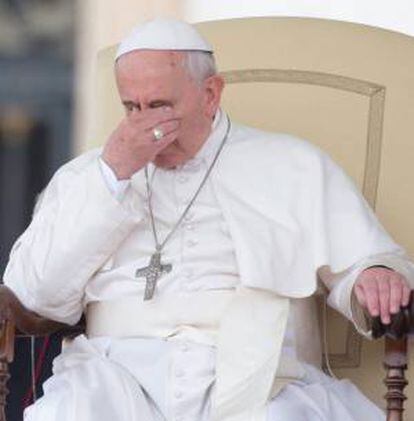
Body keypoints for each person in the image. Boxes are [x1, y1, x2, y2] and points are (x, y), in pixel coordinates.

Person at [3, 17, 414, 421]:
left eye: (161, 106)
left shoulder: (293, 164)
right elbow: (35, 294)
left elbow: (363, 260)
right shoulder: (87, 176)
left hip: (259, 375)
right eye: (132, 107)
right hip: (114, 375)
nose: (148, 126)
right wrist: (111, 178)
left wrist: (373, 274)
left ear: (210, 95)